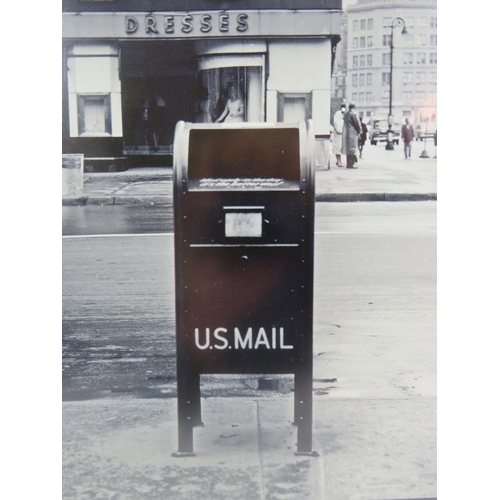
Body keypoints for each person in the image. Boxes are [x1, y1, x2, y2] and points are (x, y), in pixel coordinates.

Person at [342, 103, 361, 169]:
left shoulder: (346, 114)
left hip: (347, 132)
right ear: (354, 107)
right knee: (353, 148)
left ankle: (348, 163)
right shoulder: (353, 114)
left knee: (349, 149)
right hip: (352, 133)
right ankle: (351, 164)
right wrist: (359, 131)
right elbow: (357, 124)